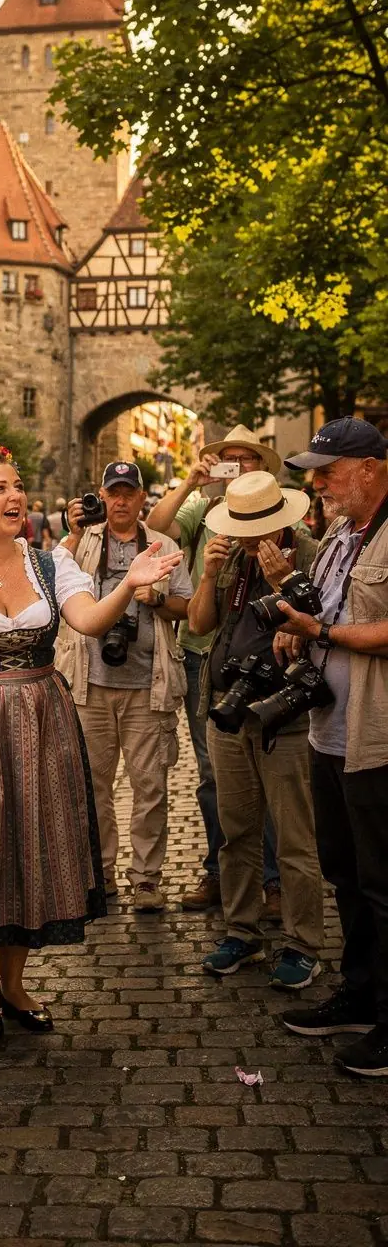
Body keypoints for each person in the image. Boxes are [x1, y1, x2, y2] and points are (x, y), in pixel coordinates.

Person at [0, 443, 183, 1037]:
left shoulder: (52, 565)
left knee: (31, 847)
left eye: (18, 486)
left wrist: (129, 583)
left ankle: (15, 983)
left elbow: (89, 621)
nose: (15, 497)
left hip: (41, 723)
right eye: (0, 488)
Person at [274, 419, 388, 1073]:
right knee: (345, 875)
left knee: (383, 883)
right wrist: (299, 631)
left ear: (369, 467)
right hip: (330, 732)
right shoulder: (342, 535)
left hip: (377, 738)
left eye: (328, 471)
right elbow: (331, 612)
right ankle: (360, 994)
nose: (318, 484)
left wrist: (322, 632)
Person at [188, 470, 324, 989]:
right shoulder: (231, 559)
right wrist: (207, 575)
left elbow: (324, 623)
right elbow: (199, 625)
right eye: (238, 527)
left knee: (294, 838)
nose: (244, 538)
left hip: (285, 716)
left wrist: (284, 582)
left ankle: (303, 944)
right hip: (229, 709)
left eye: (252, 528)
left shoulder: (309, 553)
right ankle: (241, 932)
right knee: (236, 831)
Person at [147, 425, 284, 914]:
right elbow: (156, 527)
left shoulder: (283, 515)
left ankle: (272, 880)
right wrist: (190, 481)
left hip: (263, 660)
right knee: (212, 773)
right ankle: (218, 872)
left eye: (247, 459)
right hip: (202, 654)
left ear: (262, 467)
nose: (239, 467)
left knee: (266, 769)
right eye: (231, 459)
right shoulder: (203, 509)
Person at [54, 462, 193, 911]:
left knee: (150, 786)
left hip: (148, 685)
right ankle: (101, 873)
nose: (120, 501)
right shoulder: (83, 541)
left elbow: (188, 607)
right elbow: (50, 584)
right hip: (89, 684)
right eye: (113, 493)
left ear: (141, 499)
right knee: (92, 786)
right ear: (101, 495)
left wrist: (157, 599)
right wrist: (71, 533)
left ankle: (147, 880)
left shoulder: (163, 545)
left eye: (128, 493)